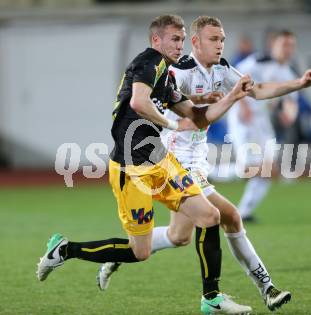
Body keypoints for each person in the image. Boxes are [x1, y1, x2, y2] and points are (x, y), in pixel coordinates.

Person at [96, 16, 311, 313]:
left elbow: (256, 90)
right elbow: (173, 105)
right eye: (214, 39)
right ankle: (266, 289)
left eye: (222, 39)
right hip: (176, 162)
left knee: (179, 236)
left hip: (197, 162)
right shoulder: (177, 71)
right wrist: (209, 102)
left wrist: (299, 84)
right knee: (230, 216)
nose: (220, 45)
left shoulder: (221, 69)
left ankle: (125, 252)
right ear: (196, 42)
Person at [36, 14, 254, 314]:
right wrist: (172, 125)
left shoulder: (165, 75)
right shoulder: (148, 63)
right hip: (130, 168)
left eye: (181, 39)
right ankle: (65, 250)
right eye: (174, 39)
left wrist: (231, 97)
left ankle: (211, 298)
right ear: (156, 40)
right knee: (140, 252)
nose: (180, 45)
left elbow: (198, 116)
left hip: (159, 157)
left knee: (209, 216)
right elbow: (139, 102)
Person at [227, 30, 302, 221]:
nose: (288, 49)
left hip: (262, 120)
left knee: (268, 169)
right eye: (284, 44)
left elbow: (291, 101)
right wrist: (242, 105)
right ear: (273, 45)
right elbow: (233, 80)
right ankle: (208, 171)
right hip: (243, 116)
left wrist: (289, 115)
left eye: (291, 45)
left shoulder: (288, 72)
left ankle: (244, 212)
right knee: (249, 168)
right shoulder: (257, 61)